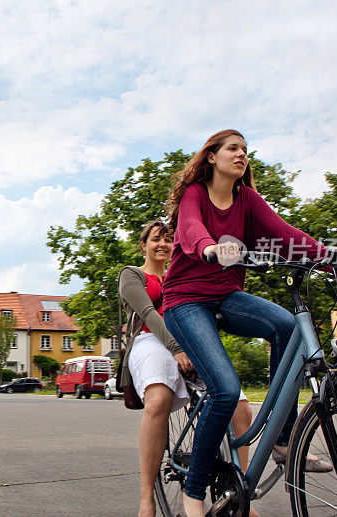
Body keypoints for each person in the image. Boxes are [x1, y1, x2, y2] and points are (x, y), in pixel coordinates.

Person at [160, 130, 337, 517]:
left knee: (288, 327)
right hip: (186, 300)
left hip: (226, 295)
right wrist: (209, 248)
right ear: (211, 157)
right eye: (232, 148)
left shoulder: (248, 199)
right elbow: (191, 228)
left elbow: (287, 235)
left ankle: (283, 439)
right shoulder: (196, 194)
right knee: (225, 390)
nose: (241, 155)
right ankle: (194, 491)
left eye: (245, 150)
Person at [118, 220, 258, 517]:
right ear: (143, 244)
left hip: (188, 340)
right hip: (151, 341)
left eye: (169, 240)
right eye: (156, 239)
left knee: (240, 408)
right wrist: (176, 349)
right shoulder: (132, 275)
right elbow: (148, 314)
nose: (163, 245)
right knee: (158, 402)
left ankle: (240, 495)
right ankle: (147, 498)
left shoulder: (181, 275)